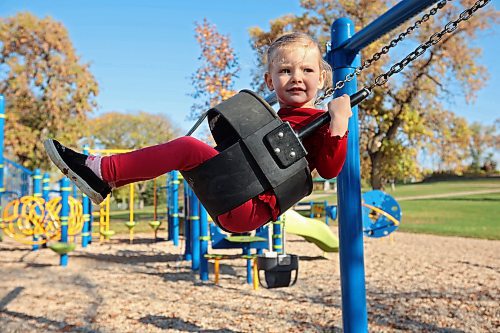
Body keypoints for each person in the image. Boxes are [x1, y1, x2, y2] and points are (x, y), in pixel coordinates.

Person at [44, 32, 353, 233]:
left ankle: (101, 169)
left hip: (251, 205)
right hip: (235, 196)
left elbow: (328, 169)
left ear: (323, 78)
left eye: (307, 70)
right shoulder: (275, 119)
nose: (296, 77)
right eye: (285, 71)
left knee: (187, 149)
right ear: (270, 81)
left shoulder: (323, 122)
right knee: (195, 153)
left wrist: (339, 122)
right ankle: (108, 179)